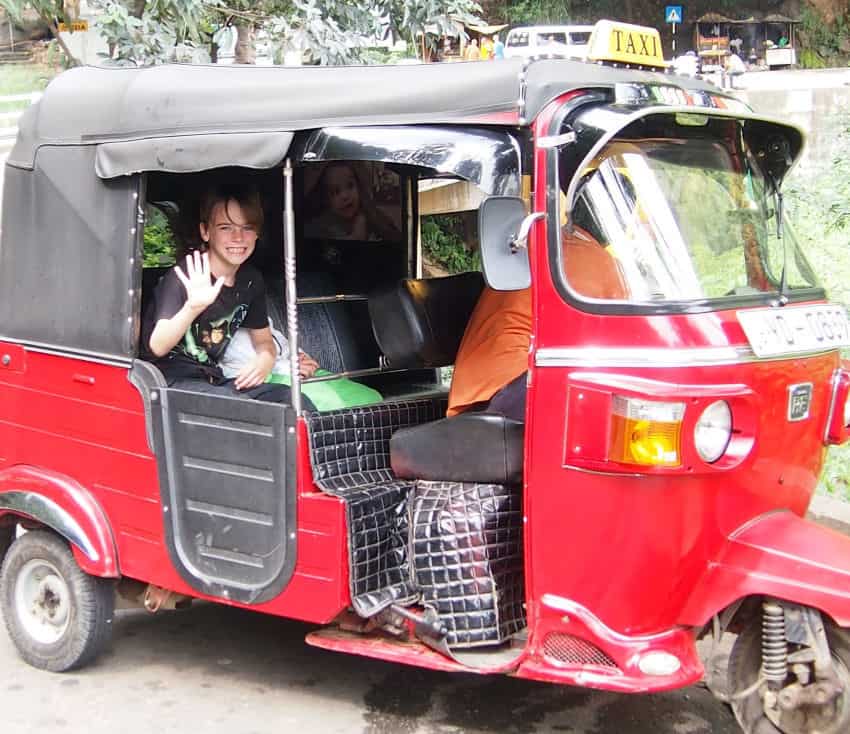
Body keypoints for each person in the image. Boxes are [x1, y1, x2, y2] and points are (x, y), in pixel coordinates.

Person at [143, 184, 319, 405]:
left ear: (257, 233)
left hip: (213, 378)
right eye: (226, 228)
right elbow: (157, 346)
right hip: (167, 381)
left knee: (294, 401)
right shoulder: (187, 274)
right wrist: (193, 307)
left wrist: (266, 359)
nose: (238, 237)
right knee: (240, 408)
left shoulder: (250, 280)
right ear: (206, 232)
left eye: (247, 228)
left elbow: (264, 340)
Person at [447, 225, 626, 422]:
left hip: (480, 386)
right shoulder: (595, 260)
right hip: (511, 380)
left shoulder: (543, 240)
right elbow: (624, 335)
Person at [304, 162, 402, 241]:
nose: (345, 196)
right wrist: (356, 237)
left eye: (350, 185)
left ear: (359, 186)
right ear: (326, 199)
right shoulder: (319, 227)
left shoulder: (373, 215)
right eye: (335, 192)